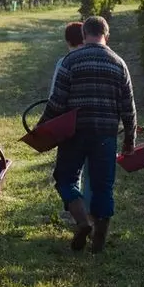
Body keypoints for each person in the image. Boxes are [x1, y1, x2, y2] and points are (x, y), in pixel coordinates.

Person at [39, 16, 137, 253]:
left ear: (84, 34)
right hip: (105, 133)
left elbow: (57, 101)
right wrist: (129, 139)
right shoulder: (118, 63)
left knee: (65, 178)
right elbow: (128, 106)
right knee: (104, 186)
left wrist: (42, 126)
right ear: (107, 34)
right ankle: (99, 241)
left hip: (75, 132)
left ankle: (83, 222)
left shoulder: (71, 61)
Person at [55, 22, 92, 226]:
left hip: (71, 127)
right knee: (91, 171)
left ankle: (77, 214)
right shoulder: (95, 58)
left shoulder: (65, 61)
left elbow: (55, 95)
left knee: (69, 173)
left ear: (67, 41)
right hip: (97, 125)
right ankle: (90, 210)